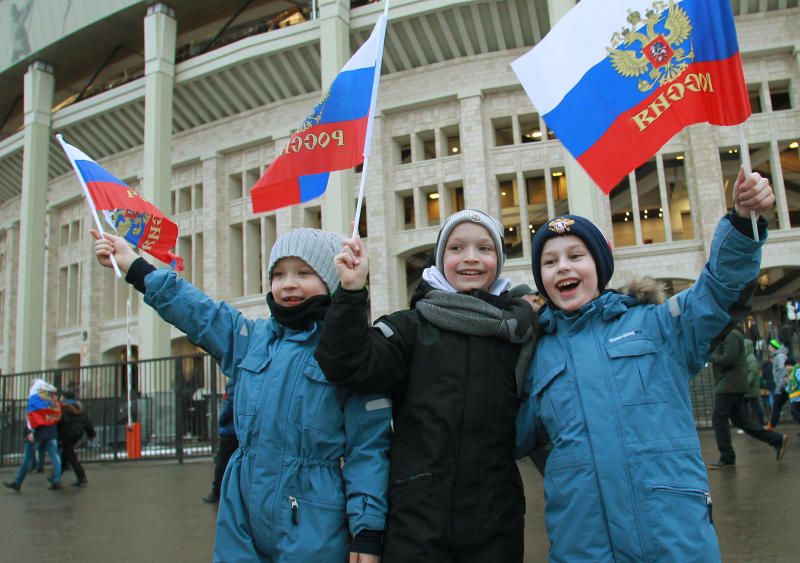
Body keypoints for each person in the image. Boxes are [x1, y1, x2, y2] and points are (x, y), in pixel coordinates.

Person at [515, 168, 782, 561]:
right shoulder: (536, 355)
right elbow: (505, 433)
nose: (563, 268)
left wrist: (743, 222)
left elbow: (716, 291)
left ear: (600, 267)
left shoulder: (657, 326)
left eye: (576, 256)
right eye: (550, 262)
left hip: (672, 536)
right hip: (583, 544)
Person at [92, 227, 390, 562]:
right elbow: (196, 310)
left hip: (312, 514)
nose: (288, 283)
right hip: (242, 509)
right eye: (278, 274)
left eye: (304, 273)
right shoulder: (250, 338)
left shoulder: (351, 355)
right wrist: (134, 265)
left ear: (331, 279)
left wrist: (367, 530)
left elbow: (368, 449)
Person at [316, 209, 538, 562]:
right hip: (418, 523)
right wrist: (351, 291)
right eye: (456, 248)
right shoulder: (409, 328)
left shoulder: (519, 333)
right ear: (439, 258)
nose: (470, 258)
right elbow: (347, 364)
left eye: (485, 248)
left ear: (499, 258)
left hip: (497, 521)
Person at [707, 324, 785, 469]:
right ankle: (776, 439)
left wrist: (708, 355)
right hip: (731, 383)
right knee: (740, 420)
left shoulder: (730, 334)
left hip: (729, 383)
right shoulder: (728, 334)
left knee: (719, 418)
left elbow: (728, 359)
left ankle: (727, 456)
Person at [4, 379, 63, 492]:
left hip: (38, 432)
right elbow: (56, 414)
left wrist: (31, 431)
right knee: (55, 456)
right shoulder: (51, 397)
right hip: (51, 431)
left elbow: (31, 418)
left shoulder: (34, 399)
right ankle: (57, 480)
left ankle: (18, 482)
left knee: (27, 457)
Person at [202, 375, 238, 504]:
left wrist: (221, 421)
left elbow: (229, 405)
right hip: (239, 430)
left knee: (222, 461)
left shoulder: (235, 380)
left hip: (230, 430)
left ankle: (216, 492)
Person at [58, 391, 96, 487]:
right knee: (66, 455)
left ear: (64, 398)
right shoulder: (80, 408)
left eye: (61, 397)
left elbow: (62, 423)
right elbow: (87, 422)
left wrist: (59, 436)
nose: (60, 399)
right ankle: (56, 476)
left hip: (67, 435)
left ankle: (81, 477)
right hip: (77, 434)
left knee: (70, 456)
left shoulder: (64, 408)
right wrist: (91, 434)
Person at [765, 338, 790, 429]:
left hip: (783, 387)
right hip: (783, 386)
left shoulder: (779, 357)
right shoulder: (779, 356)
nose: (769, 348)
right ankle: (771, 425)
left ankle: (771, 425)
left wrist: (781, 385)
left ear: (774, 347)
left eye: (770, 347)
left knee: (777, 406)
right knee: (777, 406)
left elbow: (783, 371)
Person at [743, 338, 765, 425]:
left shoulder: (751, 358)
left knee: (754, 406)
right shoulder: (747, 357)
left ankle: (760, 424)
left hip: (751, 388)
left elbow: (753, 371)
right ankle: (751, 424)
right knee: (747, 407)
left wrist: (746, 383)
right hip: (748, 388)